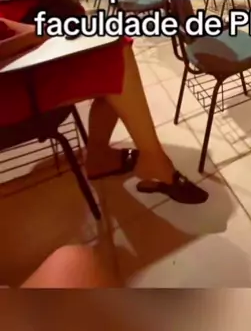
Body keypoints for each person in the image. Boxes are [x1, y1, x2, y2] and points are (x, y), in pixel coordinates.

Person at [0, 18, 208, 204]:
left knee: (112, 45)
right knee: (115, 58)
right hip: (11, 87)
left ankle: (101, 156)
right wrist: (32, 37)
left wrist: (44, 29)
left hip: (18, 61)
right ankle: (153, 160)